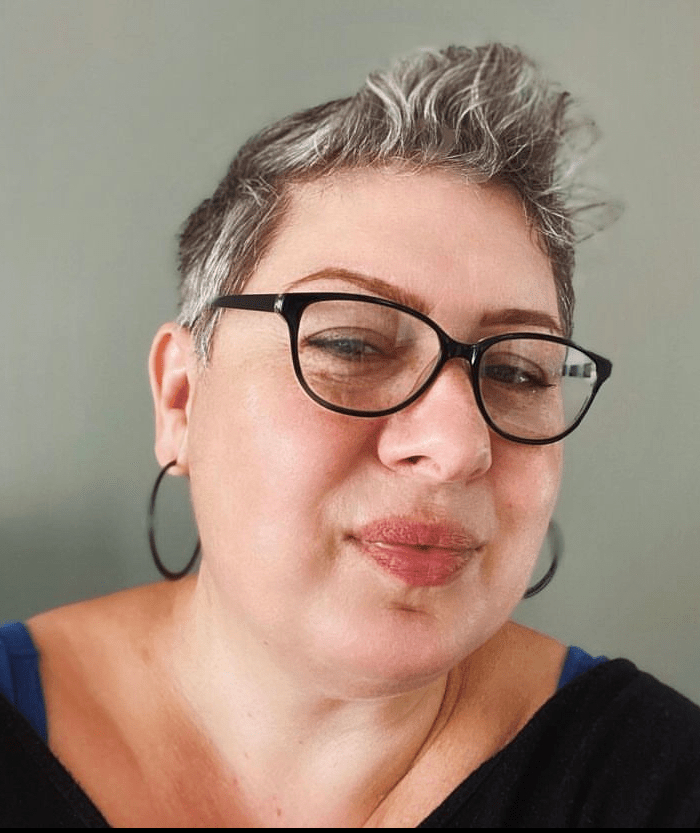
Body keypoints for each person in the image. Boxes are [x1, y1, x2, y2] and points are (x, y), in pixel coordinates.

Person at [1, 44, 699, 828]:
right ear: (180, 397)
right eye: (353, 346)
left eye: (517, 374)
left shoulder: (660, 784)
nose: (457, 445)